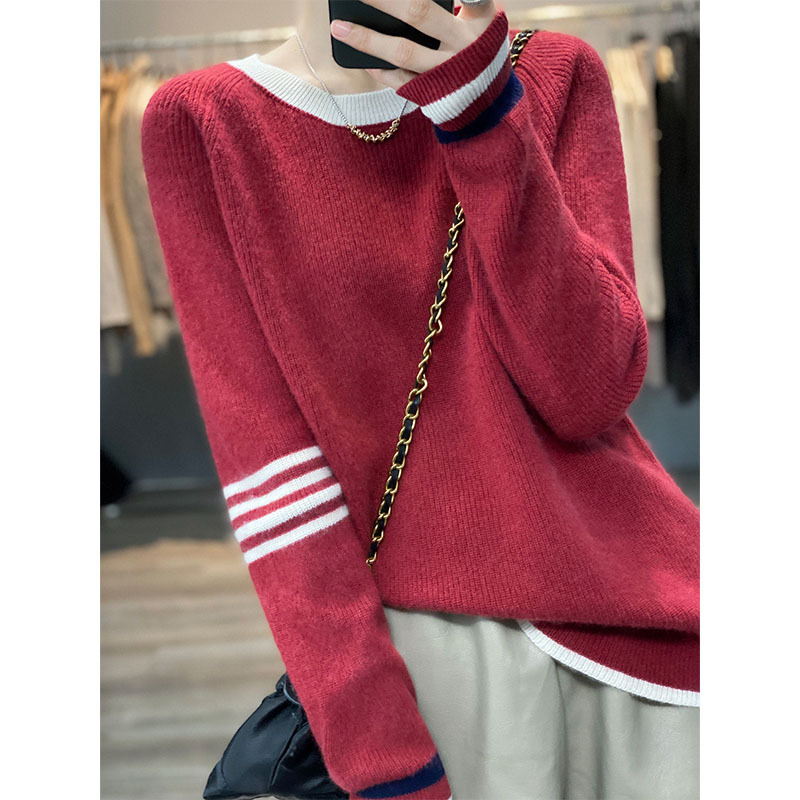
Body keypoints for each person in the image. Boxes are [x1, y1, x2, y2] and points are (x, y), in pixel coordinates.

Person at [141, 1, 700, 798]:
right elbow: (270, 467)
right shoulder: (204, 122)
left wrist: (482, 117)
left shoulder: (552, 74)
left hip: (643, 631)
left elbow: (591, 393)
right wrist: (379, 751)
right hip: (430, 664)